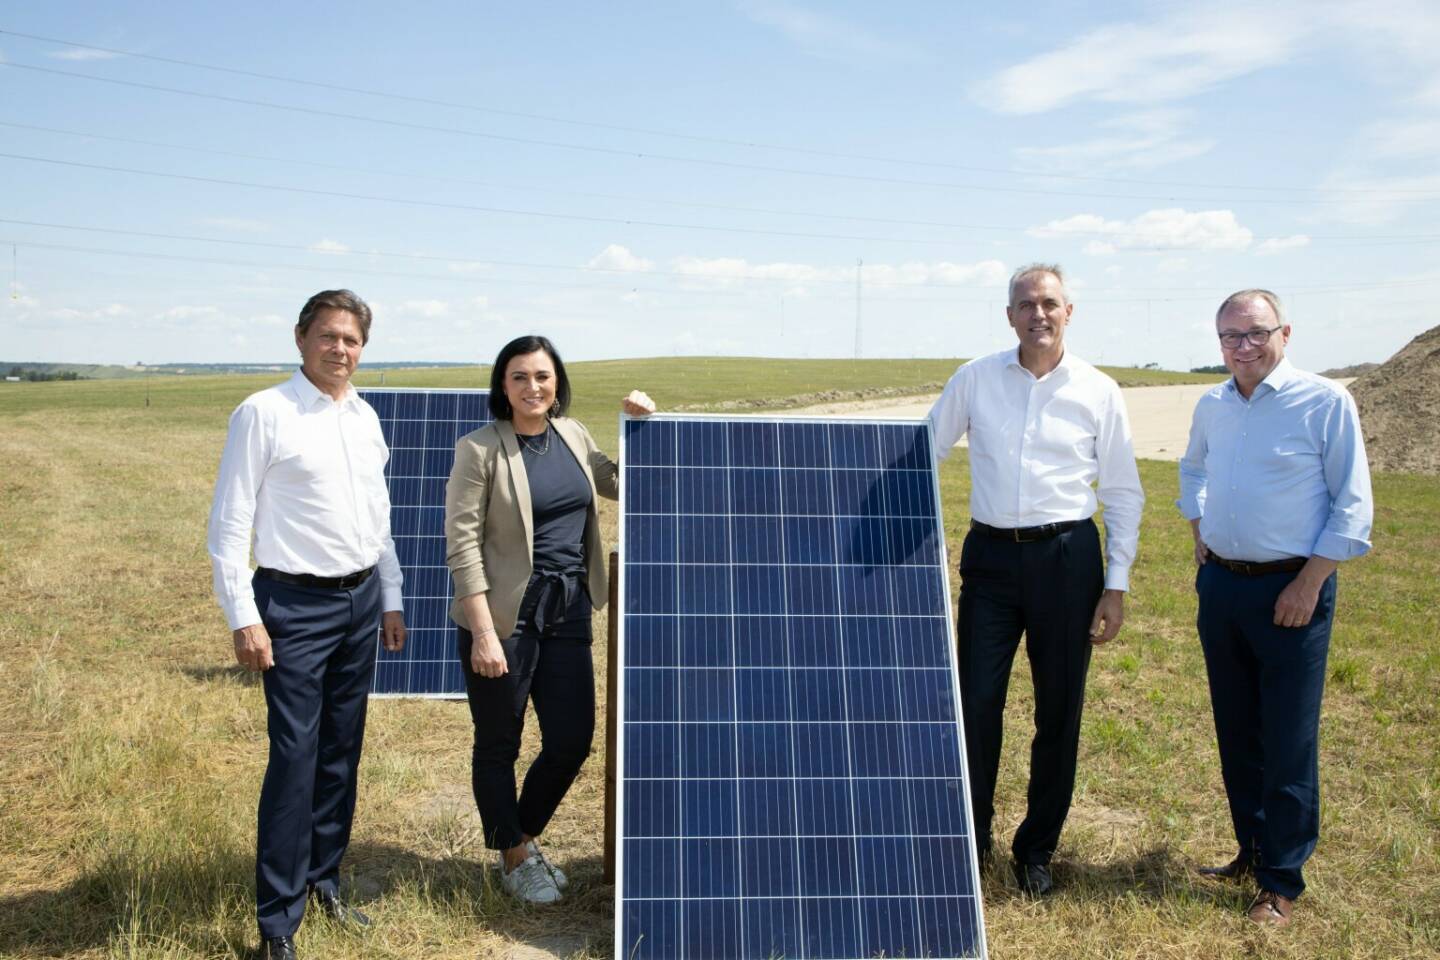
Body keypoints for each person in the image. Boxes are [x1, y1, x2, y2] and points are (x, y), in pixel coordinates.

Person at [927, 263, 1144, 895]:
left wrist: (1116, 583)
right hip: (991, 560)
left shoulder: (1099, 390)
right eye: (1025, 304)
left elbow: (1124, 493)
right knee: (975, 703)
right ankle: (969, 839)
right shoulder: (974, 379)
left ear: (1068, 312)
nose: (1038, 314)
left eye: (1049, 303)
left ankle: (1036, 849)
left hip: (1067, 560)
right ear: (1009, 316)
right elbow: (923, 453)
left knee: (1060, 711)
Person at [207, 289, 407, 960]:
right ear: (300, 339)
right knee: (294, 760)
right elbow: (230, 524)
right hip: (292, 605)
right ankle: (276, 925)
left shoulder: (366, 418)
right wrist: (244, 616)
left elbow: (378, 521)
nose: (340, 349)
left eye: (351, 340)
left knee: (340, 754)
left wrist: (391, 596)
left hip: (358, 604)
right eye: (327, 336)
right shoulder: (264, 414)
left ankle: (325, 880)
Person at [1179, 289, 1372, 928]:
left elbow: (1352, 505)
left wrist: (1310, 581)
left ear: (1285, 332)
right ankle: (1253, 849)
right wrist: (1200, 528)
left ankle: (1282, 881)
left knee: (1289, 737)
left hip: (1293, 590)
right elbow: (1192, 471)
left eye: (1255, 333)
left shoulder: (1324, 402)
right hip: (1223, 588)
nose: (1242, 346)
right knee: (1238, 730)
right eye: (1230, 336)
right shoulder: (1213, 403)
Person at [445, 334, 653, 904]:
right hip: (505, 617)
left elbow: (623, 484)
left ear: (557, 380)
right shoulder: (480, 449)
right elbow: (462, 546)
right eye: (519, 377)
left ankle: (524, 837)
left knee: (570, 740)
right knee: (498, 743)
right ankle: (514, 857)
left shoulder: (574, 434)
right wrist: (483, 632)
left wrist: (638, 425)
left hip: (567, 609)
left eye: (542, 375)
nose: (532, 387)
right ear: (502, 386)